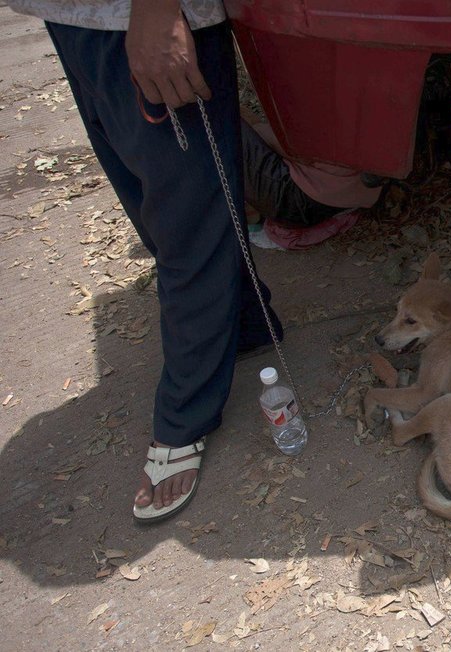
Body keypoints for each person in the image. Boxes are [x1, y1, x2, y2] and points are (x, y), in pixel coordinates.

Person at [8, 0, 283, 523]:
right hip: (77, 16)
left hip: (142, 18)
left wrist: (156, 11)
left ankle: (186, 415)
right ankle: (245, 322)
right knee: (153, 204)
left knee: (186, 218)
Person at [239, 107, 381, 250]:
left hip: (304, 203)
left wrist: (256, 130)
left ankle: (250, 219)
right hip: (360, 188)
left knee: (221, 118)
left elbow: (283, 144)